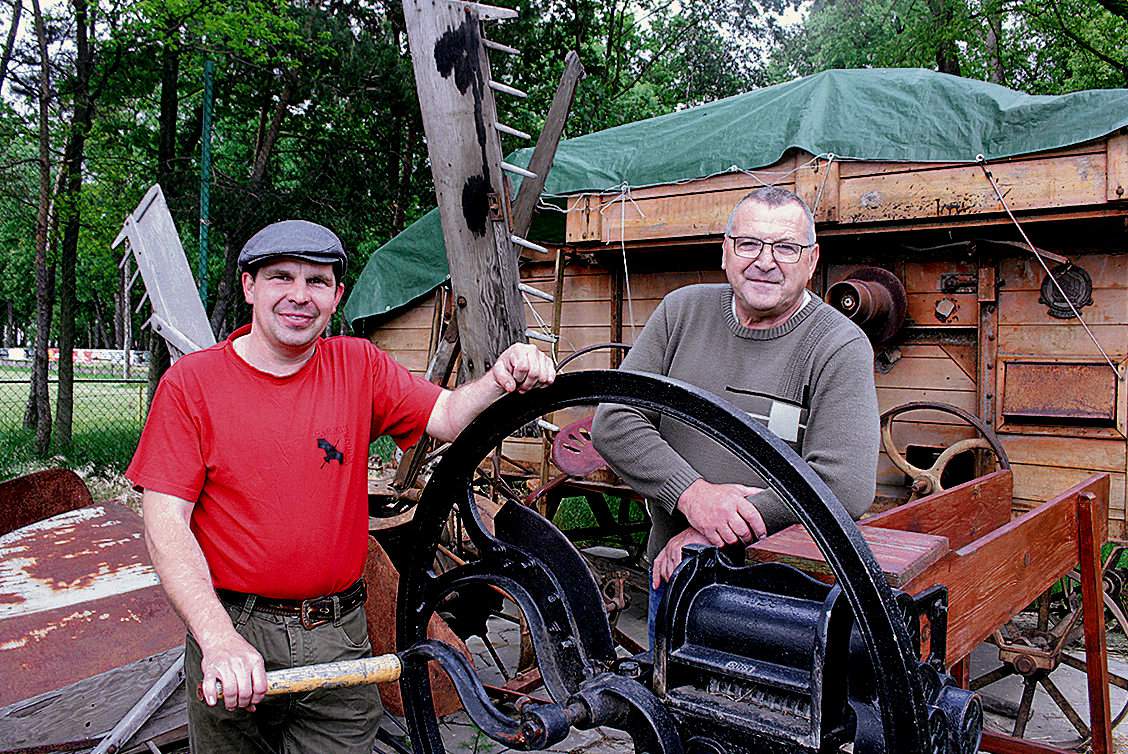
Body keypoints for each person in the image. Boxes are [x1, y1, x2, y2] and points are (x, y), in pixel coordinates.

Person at [126, 220, 555, 753]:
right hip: (235, 628)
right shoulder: (192, 385)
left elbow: (445, 415)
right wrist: (217, 640)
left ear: (336, 296)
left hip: (340, 634)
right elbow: (165, 524)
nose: (299, 296)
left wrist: (499, 377)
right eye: (281, 277)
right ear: (249, 286)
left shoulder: (357, 368)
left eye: (318, 281)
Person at [592, 187, 879, 646]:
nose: (765, 261)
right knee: (665, 712)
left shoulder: (837, 345)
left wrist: (716, 530)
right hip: (676, 577)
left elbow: (844, 484)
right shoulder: (681, 312)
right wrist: (693, 496)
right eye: (748, 244)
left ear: (812, 259)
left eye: (786, 247)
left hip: (779, 600)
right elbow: (614, 419)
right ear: (725, 252)